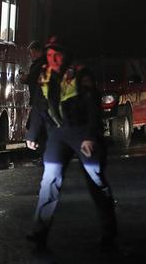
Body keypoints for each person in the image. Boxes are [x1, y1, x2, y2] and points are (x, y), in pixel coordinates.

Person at [25, 37, 117, 250]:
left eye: (57, 54)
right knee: (49, 181)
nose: (53, 58)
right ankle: (39, 232)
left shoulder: (81, 73)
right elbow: (39, 106)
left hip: (82, 132)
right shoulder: (44, 75)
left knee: (96, 180)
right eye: (49, 55)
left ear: (66, 55)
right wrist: (32, 134)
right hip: (58, 133)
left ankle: (109, 230)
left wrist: (91, 136)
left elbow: (93, 107)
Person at [22, 40, 47, 157]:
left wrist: (25, 79)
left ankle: (42, 152)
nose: (31, 55)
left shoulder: (40, 65)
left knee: (37, 126)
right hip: (39, 100)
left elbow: (33, 78)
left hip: (40, 101)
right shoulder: (41, 64)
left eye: (32, 52)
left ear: (37, 52)